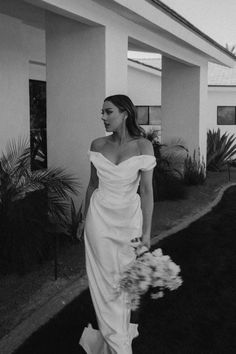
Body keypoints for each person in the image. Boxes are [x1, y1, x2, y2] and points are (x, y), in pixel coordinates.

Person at [79, 94, 156, 354]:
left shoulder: (143, 146)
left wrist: (146, 233)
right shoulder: (97, 144)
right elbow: (92, 186)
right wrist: (83, 218)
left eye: (108, 112)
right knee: (103, 283)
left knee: (123, 282)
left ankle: (116, 338)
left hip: (129, 222)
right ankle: (118, 344)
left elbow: (147, 192)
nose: (103, 117)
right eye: (102, 112)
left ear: (125, 113)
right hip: (98, 221)